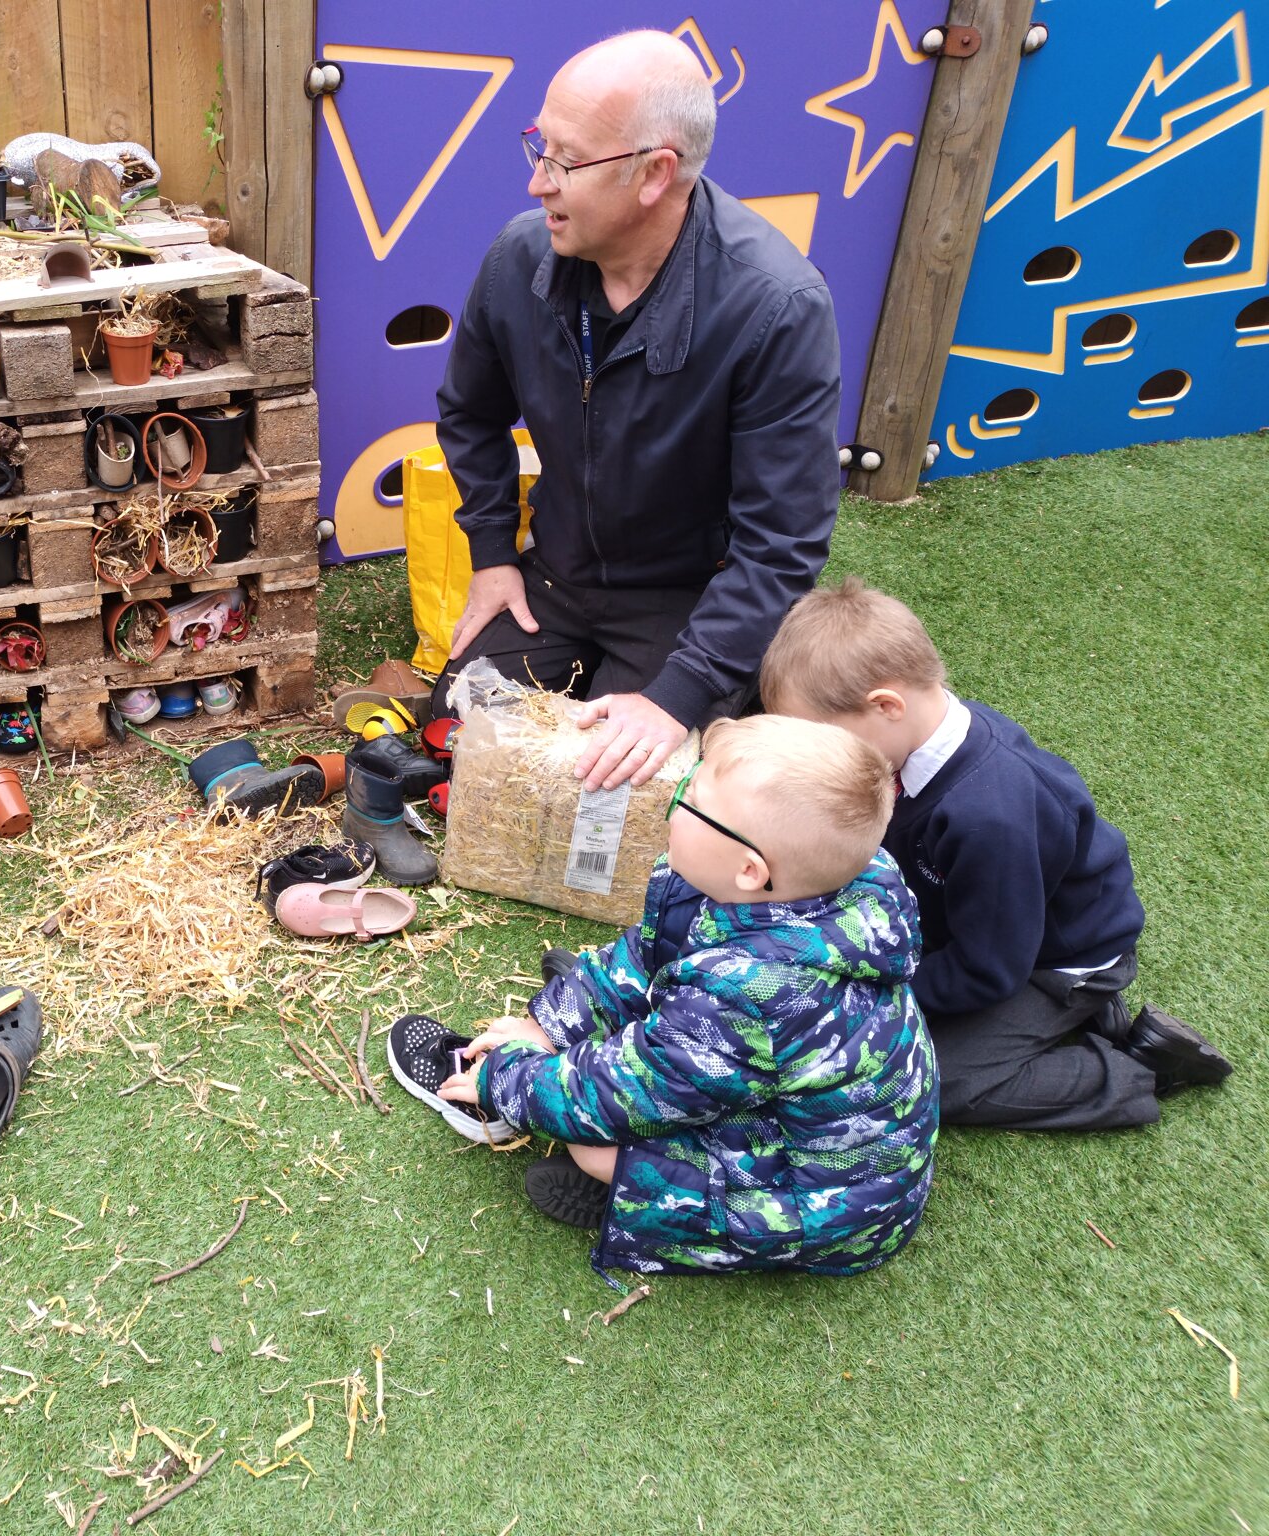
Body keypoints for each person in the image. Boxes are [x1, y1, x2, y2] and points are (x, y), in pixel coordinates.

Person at [432, 30, 841, 793]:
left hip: (687, 599)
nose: (537, 184)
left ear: (655, 174)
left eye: (565, 160)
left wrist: (679, 695)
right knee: (458, 730)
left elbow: (781, 544)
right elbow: (468, 412)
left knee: (615, 784)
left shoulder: (776, 307)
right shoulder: (518, 258)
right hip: (555, 578)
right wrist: (492, 554)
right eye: (538, 147)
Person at [386, 715, 938, 1277]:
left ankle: (640, 1204)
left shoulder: (747, 994)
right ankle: (614, 1063)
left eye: (690, 800)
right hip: (779, 1107)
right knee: (635, 1021)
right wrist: (547, 1027)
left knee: (591, 1141)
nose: (671, 807)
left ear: (749, 870)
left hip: (826, 1211)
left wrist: (505, 1077)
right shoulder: (802, 883)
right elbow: (647, 951)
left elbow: (623, 1094)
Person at [761, 578, 1233, 1129]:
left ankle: (1137, 1066)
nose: (820, 759)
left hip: (1050, 960)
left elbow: (990, 970)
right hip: (978, 921)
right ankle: (1073, 1020)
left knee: (924, 1079)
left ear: (886, 705)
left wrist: (871, 998)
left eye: (825, 740)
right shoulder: (914, 742)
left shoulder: (990, 816)